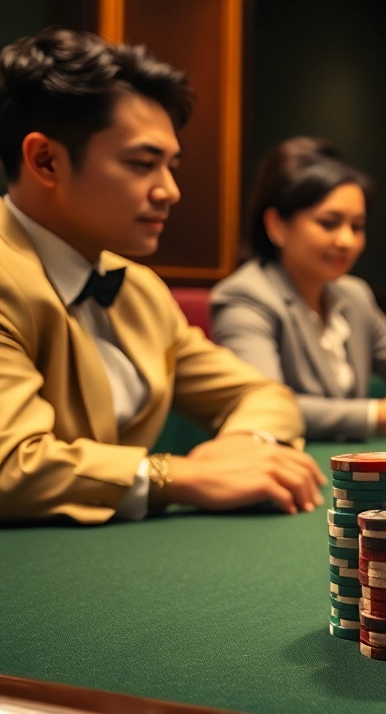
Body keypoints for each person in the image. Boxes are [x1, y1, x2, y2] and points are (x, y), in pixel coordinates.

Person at [0, 28, 324, 524]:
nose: (170, 191)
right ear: (46, 160)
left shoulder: (138, 286)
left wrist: (242, 445)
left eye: (171, 166)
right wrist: (182, 476)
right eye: (142, 164)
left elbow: (263, 393)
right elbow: (12, 466)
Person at [210, 137, 386, 442]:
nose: (346, 241)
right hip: (285, 466)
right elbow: (266, 406)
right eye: (329, 223)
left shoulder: (354, 295)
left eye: (357, 226)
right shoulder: (245, 296)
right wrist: (383, 414)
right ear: (276, 225)